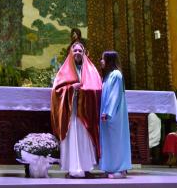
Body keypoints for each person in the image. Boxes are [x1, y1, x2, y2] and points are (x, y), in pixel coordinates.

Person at [51, 42, 102, 178]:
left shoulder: (92, 70)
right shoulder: (64, 70)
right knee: (72, 138)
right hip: (71, 113)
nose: (78, 53)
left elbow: (97, 89)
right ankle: (72, 168)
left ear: (84, 53)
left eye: (80, 50)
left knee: (84, 139)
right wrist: (71, 88)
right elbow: (56, 90)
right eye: (75, 51)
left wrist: (85, 91)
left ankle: (86, 168)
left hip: (85, 114)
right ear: (71, 53)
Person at [99, 50, 131, 179]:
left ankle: (120, 169)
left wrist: (108, 112)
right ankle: (110, 167)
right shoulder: (108, 76)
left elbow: (115, 95)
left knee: (116, 141)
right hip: (107, 115)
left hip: (114, 115)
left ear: (109, 61)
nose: (101, 61)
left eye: (103, 59)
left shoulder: (116, 75)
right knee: (109, 142)